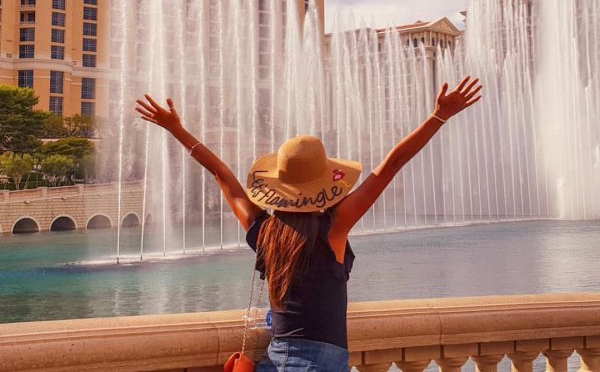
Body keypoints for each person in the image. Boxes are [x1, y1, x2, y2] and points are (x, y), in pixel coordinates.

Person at [136, 75, 482, 371]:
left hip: (276, 358)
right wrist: (439, 116)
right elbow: (391, 165)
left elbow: (221, 174)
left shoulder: (265, 232)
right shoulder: (333, 228)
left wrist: (178, 130)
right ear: (325, 186)